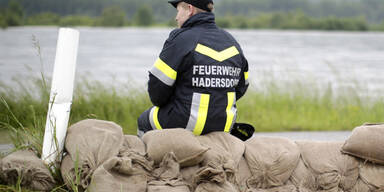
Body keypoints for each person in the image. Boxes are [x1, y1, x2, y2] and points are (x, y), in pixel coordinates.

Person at [137, 0, 249, 137]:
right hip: (224, 124)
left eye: (178, 11)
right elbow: (242, 87)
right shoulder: (232, 42)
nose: (176, 17)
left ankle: (145, 158)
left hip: (185, 123)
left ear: (190, 9)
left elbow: (157, 89)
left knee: (144, 120)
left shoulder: (180, 38)